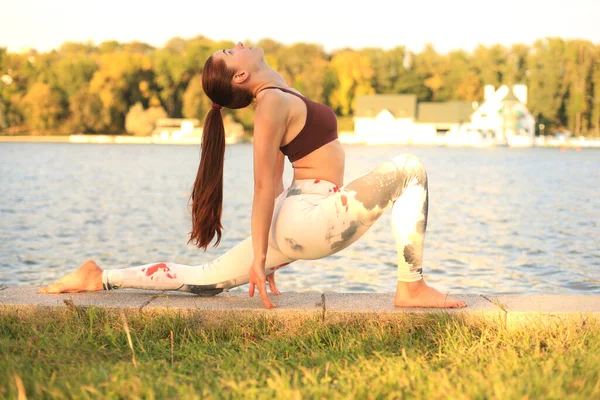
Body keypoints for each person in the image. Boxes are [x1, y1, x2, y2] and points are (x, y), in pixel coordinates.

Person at [40, 42, 467, 310]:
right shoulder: (270, 104)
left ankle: (99, 277)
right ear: (241, 76)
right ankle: (410, 287)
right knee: (410, 169)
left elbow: (277, 187)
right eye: (230, 52)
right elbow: (265, 186)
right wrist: (262, 256)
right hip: (308, 215)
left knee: (205, 279)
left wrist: (271, 252)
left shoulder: (278, 93)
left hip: (300, 213)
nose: (238, 44)